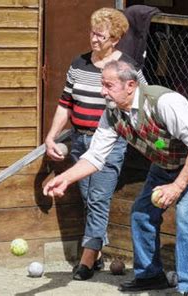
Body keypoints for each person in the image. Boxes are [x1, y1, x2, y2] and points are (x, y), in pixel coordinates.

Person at [43, 60, 188, 296]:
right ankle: (150, 276)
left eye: (108, 85)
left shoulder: (165, 102)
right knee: (141, 212)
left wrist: (177, 186)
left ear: (130, 85)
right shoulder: (112, 115)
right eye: (102, 84)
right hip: (165, 161)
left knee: (187, 213)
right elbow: (96, 157)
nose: (102, 91)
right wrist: (65, 179)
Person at [44, 8, 147, 280]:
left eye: (101, 35)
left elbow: (141, 100)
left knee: (99, 199)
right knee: (89, 198)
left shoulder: (126, 67)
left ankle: (87, 260)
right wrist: (51, 135)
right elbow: (66, 103)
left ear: (115, 39)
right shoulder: (79, 63)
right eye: (92, 33)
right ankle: (98, 250)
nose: (94, 39)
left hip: (111, 142)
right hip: (79, 140)